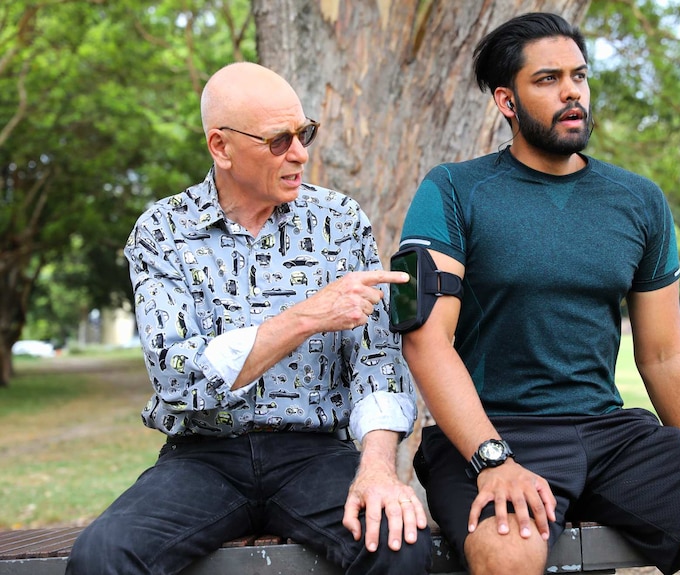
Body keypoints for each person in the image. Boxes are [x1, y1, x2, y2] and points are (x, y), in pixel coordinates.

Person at [398, 13, 680, 575]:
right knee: (506, 554)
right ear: (505, 101)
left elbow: (662, 352)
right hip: (494, 433)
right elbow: (424, 340)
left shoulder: (638, 200)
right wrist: (493, 460)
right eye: (547, 80)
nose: (572, 93)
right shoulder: (452, 190)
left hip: (611, 434)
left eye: (579, 76)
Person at [66, 62, 432, 575]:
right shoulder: (162, 230)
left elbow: (377, 360)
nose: (300, 154)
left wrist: (377, 469)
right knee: (102, 556)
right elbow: (177, 376)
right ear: (221, 147)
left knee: (399, 545)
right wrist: (304, 317)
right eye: (278, 141)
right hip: (202, 456)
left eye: (304, 133)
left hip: (315, 455)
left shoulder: (340, 221)